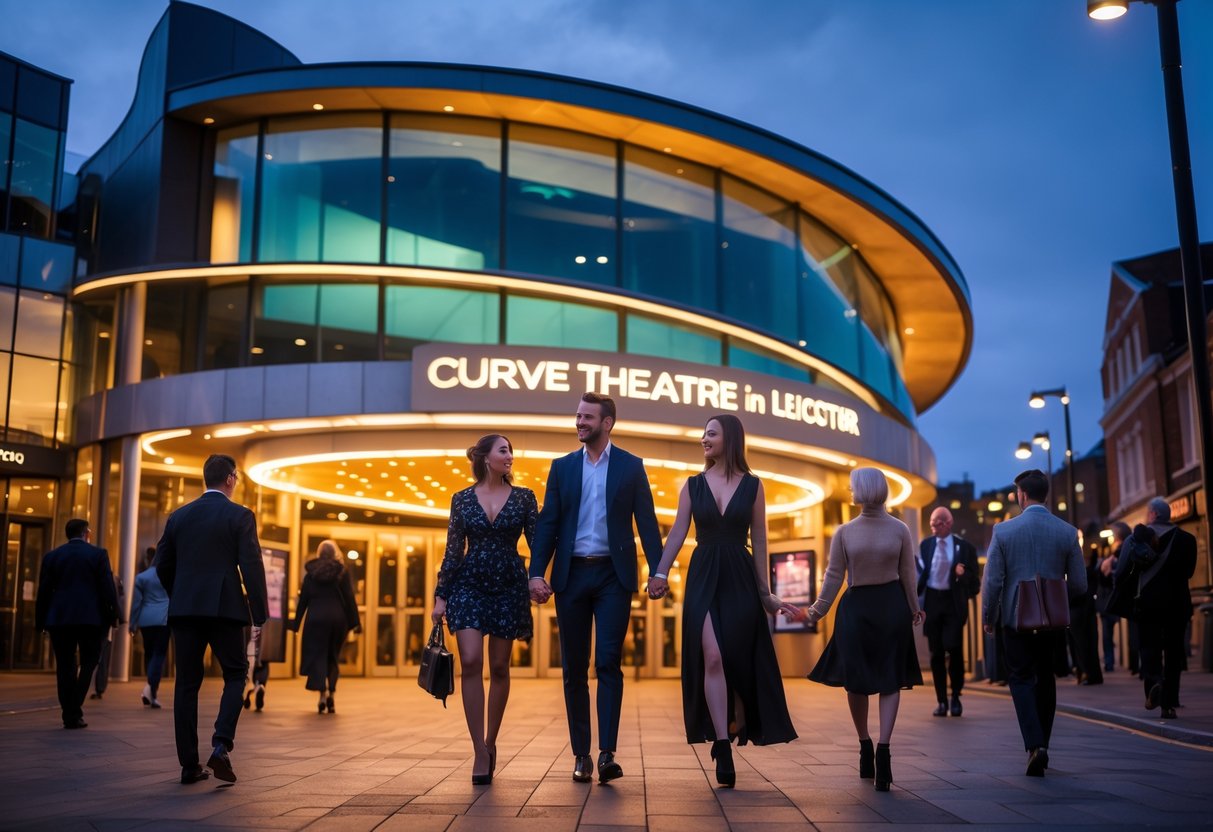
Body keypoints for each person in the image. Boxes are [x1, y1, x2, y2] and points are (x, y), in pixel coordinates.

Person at [647, 415, 799, 788]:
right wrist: (660, 573)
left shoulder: (754, 486)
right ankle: (721, 744)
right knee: (712, 655)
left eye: (711, 433)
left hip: (740, 576)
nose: (703, 439)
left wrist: (766, 594)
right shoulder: (692, 485)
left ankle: (737, 716)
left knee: (736, 656)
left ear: (729, 438)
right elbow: (678, 532)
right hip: (703, 574)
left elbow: (760, 541)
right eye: (703, 433)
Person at [528, 392, 663, 785]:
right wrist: (536, 573)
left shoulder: (631, 466)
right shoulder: (562, 468)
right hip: (570, 576)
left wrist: (659, 571)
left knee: (607, 662)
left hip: (612, 577)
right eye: (578, 416)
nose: (579, 422)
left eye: (587, 417)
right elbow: (548, 524)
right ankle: (581, 755)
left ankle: (607, 754)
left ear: (607, 423)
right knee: (574, 667)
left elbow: (647, 522)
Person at [801, 468, 923, 792]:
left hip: (861, 609)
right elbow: (906, 575)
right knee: (883, 679)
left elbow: (835, 576)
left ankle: (871, 746)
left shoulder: (849, 532)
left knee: (865, 681)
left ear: (863, 489)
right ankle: (878, 747)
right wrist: (913, 607)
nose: (850, 491)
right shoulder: (896, 529)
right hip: (887, 607)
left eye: (853, 486)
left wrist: (816, 612)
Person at [433, 434, 539, 785]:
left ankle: (491, 741)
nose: (510, 456)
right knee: (471, 660)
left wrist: (538, 578)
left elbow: (538, 544)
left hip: (509, 585)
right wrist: (441, 595)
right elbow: (453, 550)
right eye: (503, 450)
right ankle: (478, 749)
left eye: (511, 451)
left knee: (499, 666)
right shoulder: (461, 499)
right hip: (469, 584)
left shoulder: (524, 497)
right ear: (485, 457)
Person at [156, 454, 268, 785]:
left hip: (185, 609)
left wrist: (180, 593)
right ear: (230, 479)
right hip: (225, 608)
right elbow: (251, 566)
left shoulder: (179, 516)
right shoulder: (240, 515)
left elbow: (162, 564)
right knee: (236, 673)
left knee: (186, 684)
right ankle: (221, 744)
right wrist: (259, 614)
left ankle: (189, 765)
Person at [982, 469, 1085, 777]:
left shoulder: (1003, 531)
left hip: (1016, 620)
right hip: (1052, 621)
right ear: (1046, 495)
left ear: (1022, 495)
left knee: (1021, 678)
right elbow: (1079, 584)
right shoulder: (1067, 532)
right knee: (1046, 678)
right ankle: (1044, 745)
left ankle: (1034, 744)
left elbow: (993, 582)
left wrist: (989, 617)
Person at [35, 518, 119, 729]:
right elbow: (107, 588)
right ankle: (73, 708)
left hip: (60, 618)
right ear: (86, 533)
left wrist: (40, 620)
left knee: (65, 665)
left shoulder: (52, 556)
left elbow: (44, 591)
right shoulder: (98, 555)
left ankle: (69, 713)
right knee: (90, 661)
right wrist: (114, 615)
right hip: (90, 619)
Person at [1120, 498, 1197, 720]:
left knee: (1149, 648)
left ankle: (1154, 684)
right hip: (1178, 604)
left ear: (1153, 514)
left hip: (1148, 604)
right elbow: (1190, 572)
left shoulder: (1136, 539)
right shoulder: (1187, 539)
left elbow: (1123, 571)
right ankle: (1169, 704)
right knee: (1174, 652)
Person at [917, 507, 979, 717]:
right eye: (931, 524)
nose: (933, 528)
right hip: (933, 601)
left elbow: (975, 582)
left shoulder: (965, 547)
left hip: (953, 604)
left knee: (954, 649)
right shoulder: (926, 545)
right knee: (936, 654)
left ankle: (956, 697)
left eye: (936, 524)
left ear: (948, 523)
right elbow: (922, 574)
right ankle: (941, 701)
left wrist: (962, 575)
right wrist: (913, 600)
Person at [289, 539, 361, 714]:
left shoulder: (311, 574)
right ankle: (332, 695)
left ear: (319, 553)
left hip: (316, 619)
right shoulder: (342, 572)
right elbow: (349, 598)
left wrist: (296, 624)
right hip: (338, 620)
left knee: (319, 656)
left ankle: (322, 695)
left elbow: (303, 601)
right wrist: (355, 623)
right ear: (335, 553)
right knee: (333, 657)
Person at [129, 546, 170, 708]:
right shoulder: (169, 575)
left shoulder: (142, 577)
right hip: (163, 619)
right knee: (159, 655)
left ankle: (151, 690)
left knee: (149, 654)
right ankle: (151, 687)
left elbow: (136, 603)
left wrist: (132, 623)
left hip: (145, 620)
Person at [1096, 522, 1130, 672]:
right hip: (1111, 600)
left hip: (1112, 599)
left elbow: (1105, 576)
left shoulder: (1118, 553)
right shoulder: (1112, 553)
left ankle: (1114, 662)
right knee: (1109, 635)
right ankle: (1112, 662)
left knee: (1109, 635)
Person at [89, 571, 124, 701]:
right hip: (104, 621)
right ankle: (99, 687)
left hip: (90, 619)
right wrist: (117, 618)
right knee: (103, 656)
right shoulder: (112, 578)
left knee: (94, 655)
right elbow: (117, 598)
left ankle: (95, 687)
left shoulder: (92, 574)